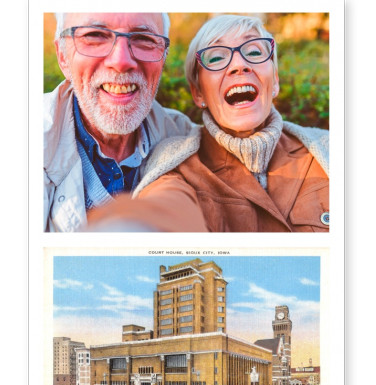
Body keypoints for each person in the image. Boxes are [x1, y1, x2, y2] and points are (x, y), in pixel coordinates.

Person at [87, 14, 329, 232]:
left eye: (254, 52)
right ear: (198, 93)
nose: (239, 65)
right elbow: (165, 207)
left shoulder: (328, 149)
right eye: (216, 57)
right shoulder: (177, 165)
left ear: (274, 80)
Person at [44, 12, 199, 232]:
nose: (121, 62)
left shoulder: (187, 140)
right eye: (95, 35)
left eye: (144, 39)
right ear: (62, 56)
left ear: (163, 57)